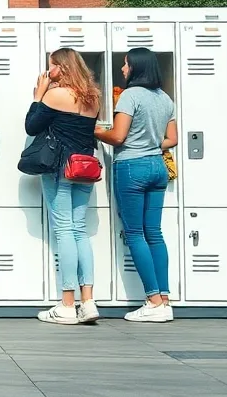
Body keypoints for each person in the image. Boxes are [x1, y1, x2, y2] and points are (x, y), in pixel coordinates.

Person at [97, 47, 178, 323]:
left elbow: (118, 137)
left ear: (136, 68)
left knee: (134, 233)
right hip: (157, 167)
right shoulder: (165, 98)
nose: (122, 69)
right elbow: (172, 139)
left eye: (125, 64)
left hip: (132, 167)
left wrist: (95, 131)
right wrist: (151, 144)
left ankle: (152, 301)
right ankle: (164, 300)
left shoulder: (130, 96)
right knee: (153, 232)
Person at [28, 48, 101, 325]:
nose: (50, 72)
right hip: (85, 167)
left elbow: (32, 126)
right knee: (79, 229)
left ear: (62, 68)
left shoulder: (56, 95)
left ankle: (67, 304)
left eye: (52, 67)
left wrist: (38, 95)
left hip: (60, 167)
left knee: (64, 230)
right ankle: (89, 301)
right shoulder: (93, 98)